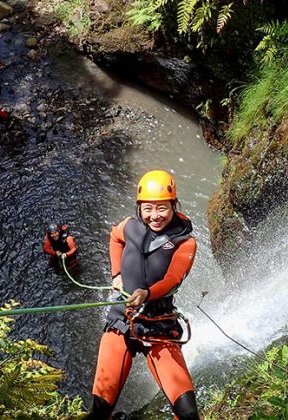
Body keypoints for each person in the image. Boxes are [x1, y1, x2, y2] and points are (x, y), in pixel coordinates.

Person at [89, 170, 199, 420]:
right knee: (99, 411)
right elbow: (114, 238)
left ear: (174, 205)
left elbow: (173, 280)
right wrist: (116, 274)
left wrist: (146, 293)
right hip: (122, 320)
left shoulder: (185, 242)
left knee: (188, 413)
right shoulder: (130, 226)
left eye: (162, 208)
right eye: (148, 208)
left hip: (158, 325)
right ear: (139, 207)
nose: (155, 216)